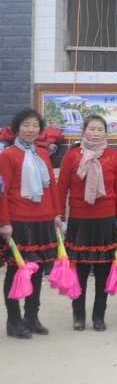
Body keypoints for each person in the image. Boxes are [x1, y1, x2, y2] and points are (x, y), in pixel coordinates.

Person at [57, 115, 117, 332]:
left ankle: (99, 316)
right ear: (83, 130)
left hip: (106, 220)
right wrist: (61, 218)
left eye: (100, 130)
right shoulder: (71, 156)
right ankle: (78, 316)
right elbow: (61, 188)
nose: (95, 133)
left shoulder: (112, 155)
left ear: (106, 133)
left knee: (103, 271)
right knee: (80, 271)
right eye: (92, 129)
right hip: (80, 221)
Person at [0, 108, 62, 338]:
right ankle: (14, 321)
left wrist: (57, 213)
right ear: (17, 129)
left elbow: (51, 187)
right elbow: (2, 192)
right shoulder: (7, 156)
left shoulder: (43, 154)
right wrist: (4, 223)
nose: (30, 129)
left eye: (35, 125)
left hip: (43, 220)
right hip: (18, 222)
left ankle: (32, 317)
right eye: (26, 125)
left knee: (37, 271)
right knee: (17, 270)